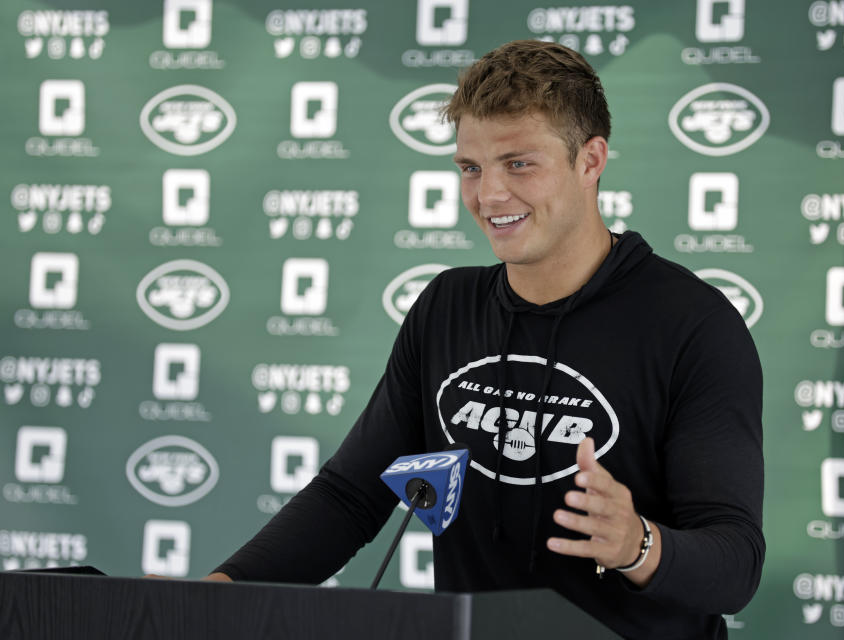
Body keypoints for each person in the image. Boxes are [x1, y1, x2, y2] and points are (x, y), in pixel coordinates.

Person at [209, 40, 764, 639]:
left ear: (590, 160)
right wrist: (215, 597)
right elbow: (349, 498)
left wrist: (637, 544)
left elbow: (735, 564)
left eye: (519, 163)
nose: (489, 195)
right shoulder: (447, 307)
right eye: (471, 168)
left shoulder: (692, 325)